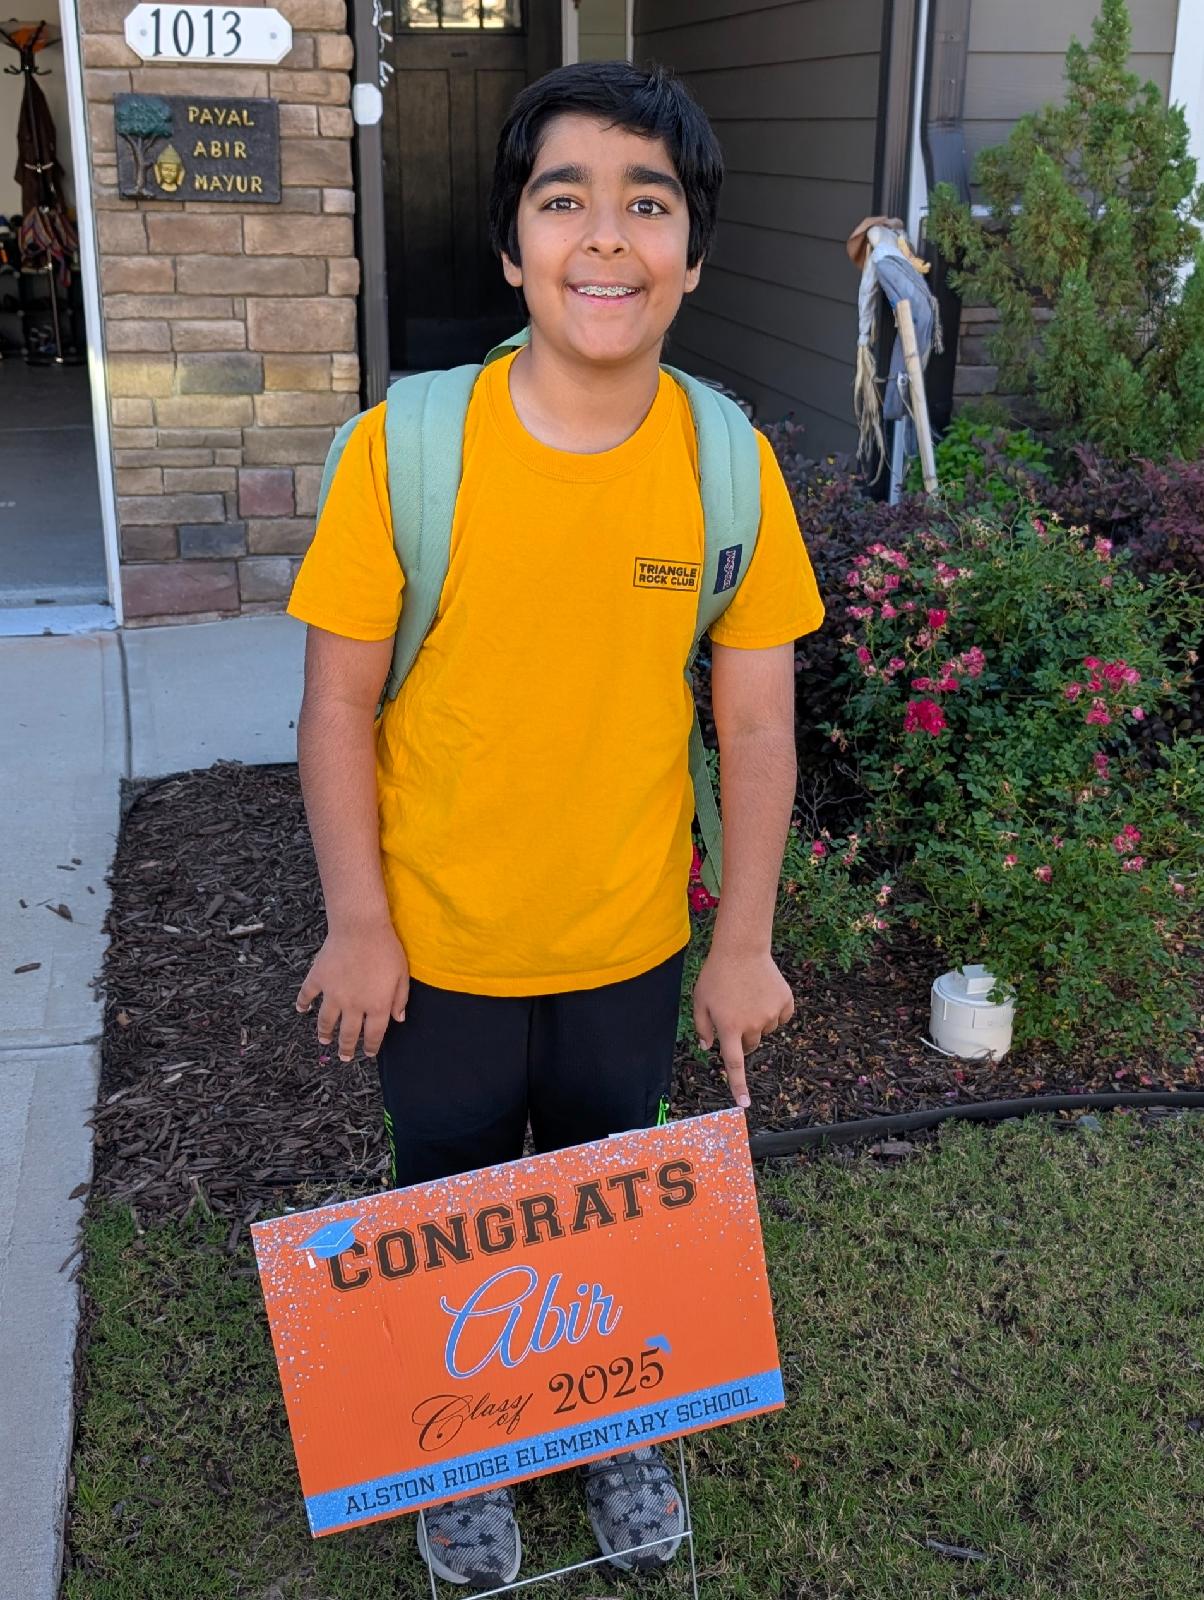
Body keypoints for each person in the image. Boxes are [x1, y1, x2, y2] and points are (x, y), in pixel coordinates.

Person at [287, 59, 825, 1588]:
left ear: (692, 257)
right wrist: (359, 922)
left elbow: (757, 726)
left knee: (605, 1201)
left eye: (647, 205)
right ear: (514, 246)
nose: (605, 236)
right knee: (450, 1197)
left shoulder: (726, 465)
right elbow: (335, 709)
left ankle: (612, 1420)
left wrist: (743, 945)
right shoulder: (406, 453)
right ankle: (464, 1448)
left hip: (626, 940)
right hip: (438, 946)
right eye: (563, 199)